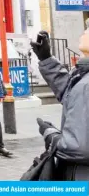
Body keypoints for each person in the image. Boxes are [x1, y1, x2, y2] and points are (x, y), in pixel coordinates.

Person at [31, 31, 89, 180]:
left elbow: (80, 148)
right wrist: (46, 59)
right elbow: (72, 93)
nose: (84, 31)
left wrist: (52, 136)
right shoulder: (84, 76)